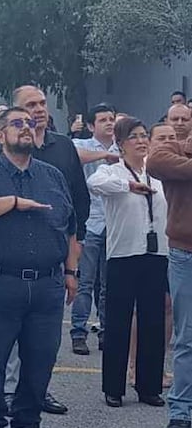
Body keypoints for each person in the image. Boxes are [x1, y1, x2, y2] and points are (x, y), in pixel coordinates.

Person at [0, 107, 78, 428]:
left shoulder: (52, 176)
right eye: (17, 123)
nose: (26, 128)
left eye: (30, 123)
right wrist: (12, 203)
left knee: (41, 356)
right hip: (0, 281)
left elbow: (69, 227)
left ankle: (27, 422)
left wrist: (71, 272)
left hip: (47, 284)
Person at [88, 117, 168, 408]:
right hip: (123, 253)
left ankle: (149, 386)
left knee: (153, 321)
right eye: (133, 136)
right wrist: (128, 186)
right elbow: (95, 183)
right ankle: (113, 386)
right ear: (121, 144)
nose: (141, 140)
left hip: (156, 253)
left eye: (144, 135)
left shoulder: (156, 174)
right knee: (119, 321)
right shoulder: (111, 172)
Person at [146, 114, 192, 428]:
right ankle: (180, 411)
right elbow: (155, 164)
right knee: (186, 337)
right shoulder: (168, 152)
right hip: (184, 253)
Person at [70, 104, 120, 355]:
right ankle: (78, 331)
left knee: (109, 283)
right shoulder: (83, 145)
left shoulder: (121, 146)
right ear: (91, 125)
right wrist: (104, 156)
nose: (109, 123)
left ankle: (105, 330)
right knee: (85, 281)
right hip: (90, 222)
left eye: (112, 119)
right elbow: (74, 157)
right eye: (103, 120)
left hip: (115, 222)